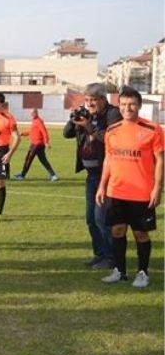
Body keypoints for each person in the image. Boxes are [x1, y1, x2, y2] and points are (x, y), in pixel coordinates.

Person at [96, 87, 163, 288]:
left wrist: (157, 188)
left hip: (142, 193)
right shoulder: (112, 130)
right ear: (119, 105)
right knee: (117, 231)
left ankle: (143, 273)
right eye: (124, 104)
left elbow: (160, 160)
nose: (128, 108)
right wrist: (102, 186)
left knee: (140, 233)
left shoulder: (152, 129)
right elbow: (108, 159)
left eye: (132, 104)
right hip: (116, 191)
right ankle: (120, 270)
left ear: (139, 105)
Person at [63, 83, 122, 270]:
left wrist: (88, 125)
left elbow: (109, 138)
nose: (89, 104)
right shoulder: (87, 114)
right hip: (91, 176)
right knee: (91, 218)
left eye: (93, 100)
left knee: (101, 218)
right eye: (86, 100)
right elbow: (66, 134)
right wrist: (73, 118)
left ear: (103, 99)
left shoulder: (113, 114)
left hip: (107, 174)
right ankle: (100, 254)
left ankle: (111, 257)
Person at [0, 93, 20, 222]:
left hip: (1, 152)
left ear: (2, 104)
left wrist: (9, 154)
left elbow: (17, 137)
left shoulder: (8, 118)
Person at [14, 108, 58, 181]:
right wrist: (23, 133)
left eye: (33, 112)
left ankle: (22, 175)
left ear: (36, 113)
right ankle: (53, 175)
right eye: (31, 113)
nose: (31, 114)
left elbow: (44, 132)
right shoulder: (35, 121)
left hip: (36, 144)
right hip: (38, 144)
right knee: (43, 160)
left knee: (28, 159)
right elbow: (32, 131)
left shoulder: (38, 121)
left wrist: (46, 142)